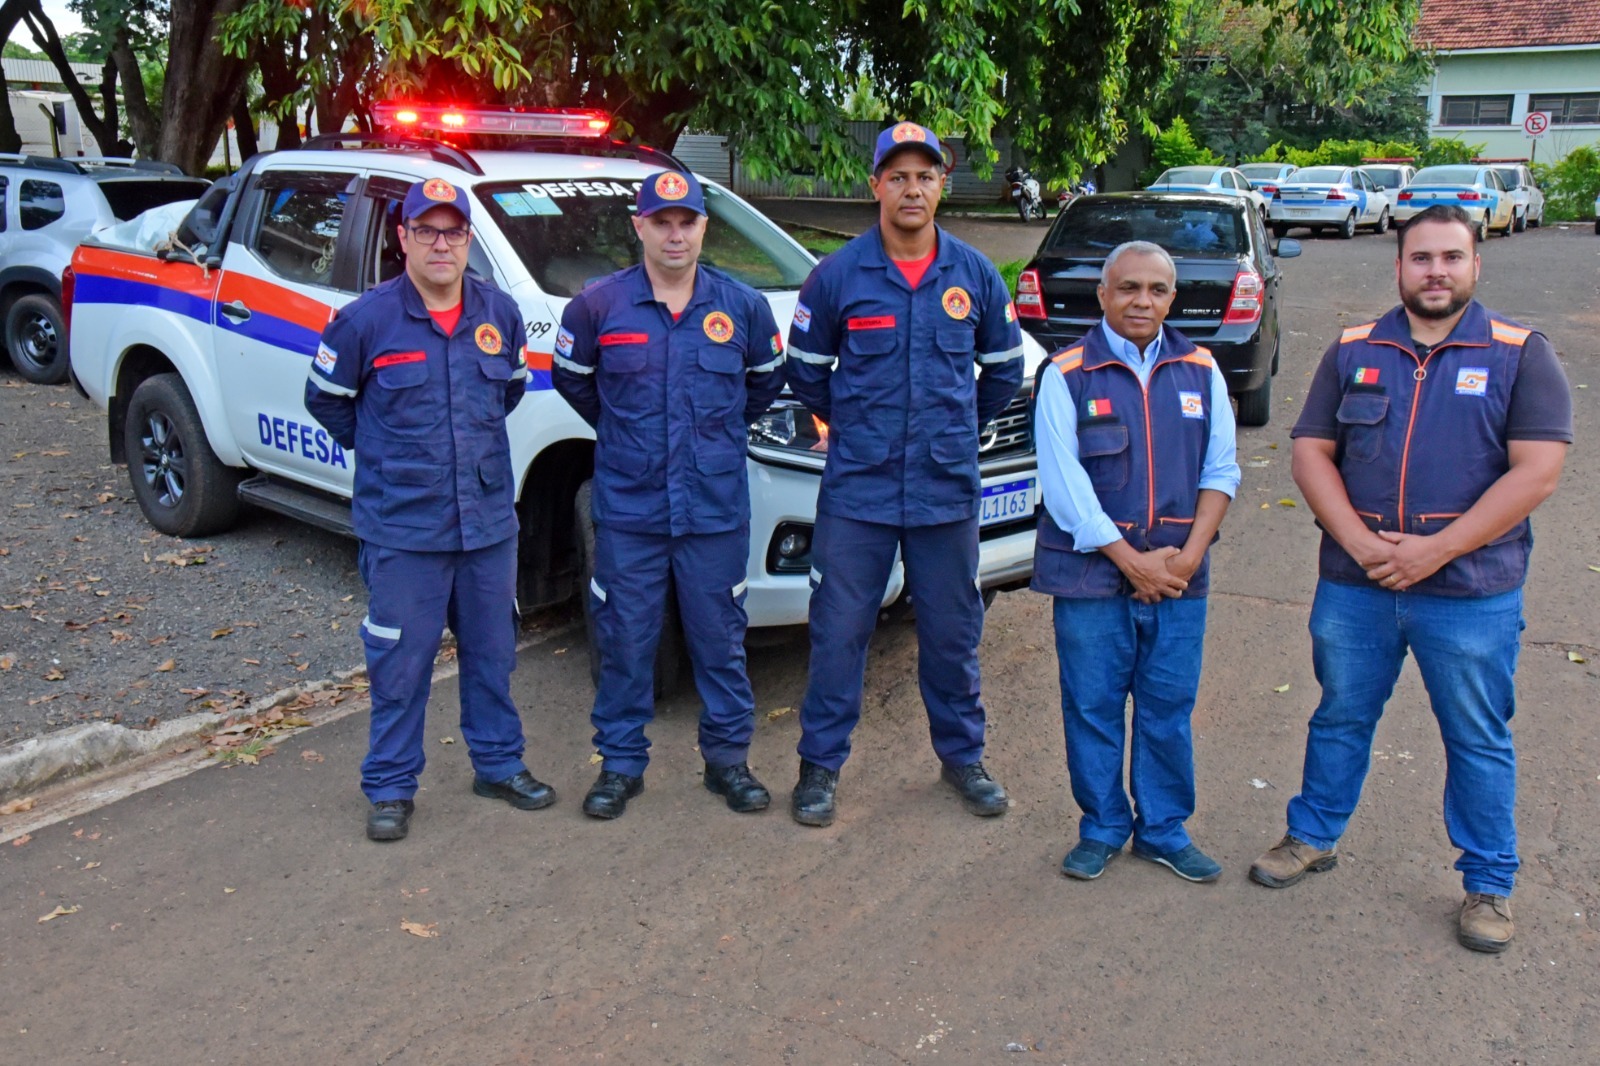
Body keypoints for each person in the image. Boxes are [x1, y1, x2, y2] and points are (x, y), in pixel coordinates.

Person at [1249, 204, 1572, 953]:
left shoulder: (1521, 354)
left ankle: (1489, 883)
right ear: (1398, 266)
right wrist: (1362, 544)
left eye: (1451, 258)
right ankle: (1313, 836)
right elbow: (1310, 452)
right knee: (1339, 715)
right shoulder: (1355, 348)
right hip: (1357, 586)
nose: (1436, 272)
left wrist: (1437, 551)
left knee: (1476, 737)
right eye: (1421, 258)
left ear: (1474, 266)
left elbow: (1537, 473)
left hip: (1470, 595)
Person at [784, 121, 1025, 827]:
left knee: (953, 634)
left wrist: (948, 431)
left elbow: (1003, 371)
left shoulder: (974, 274)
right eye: (898, 176)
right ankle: (820, 768)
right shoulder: (837, 276)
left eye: (925, 175)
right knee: (838, 632)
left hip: (945, 490)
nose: (912, 188)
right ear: (875, 187)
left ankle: (963, 759)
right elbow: (806, 371)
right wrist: (861, 430)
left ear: (941, 186)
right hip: (858, 491)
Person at [306, 178, 556, 842]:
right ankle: (390, 787)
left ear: (468, 240)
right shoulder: (365, 321)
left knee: (493, 653)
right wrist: (389, 456)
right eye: (426, 231)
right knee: (400, 663)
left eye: (452, 232)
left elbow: (509, 390)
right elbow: (326, 399)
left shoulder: (497, 314)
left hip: (486, 523)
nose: (440, 244)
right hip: (404, 529)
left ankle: (499, 766)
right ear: (403, 237)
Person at [553, 170, 785, 820]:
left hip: (713, 512)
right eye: (662, 221)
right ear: (640, 227)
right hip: (630, 513)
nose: (675, 233)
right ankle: (620, 768)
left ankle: (728, 764)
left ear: (703, 227)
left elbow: (763, 384)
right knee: (625, 641)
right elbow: (573, 380)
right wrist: (626, 435)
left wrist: (711, 437)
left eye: (687, 221)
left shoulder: (741, 307)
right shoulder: (598, 307)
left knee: (721, 641)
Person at [1032, 240, 1239, 883]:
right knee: (1091, 704)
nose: (1141, 301)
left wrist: (1185, 559)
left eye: (1156, 289)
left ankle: (1163, 830)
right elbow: (1065, 489)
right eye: (1128, 288)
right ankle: (1102, 827)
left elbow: (1222, 470)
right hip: (1092, 577)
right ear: (1103, 295)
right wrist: (1133, 563)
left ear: (1172, 297)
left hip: (1180, 577)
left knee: (1167, 705)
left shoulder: (1202, 369)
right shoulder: (1066, 373)